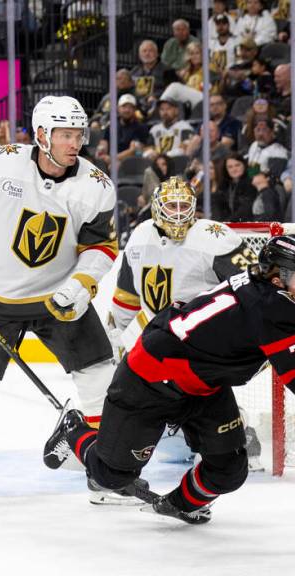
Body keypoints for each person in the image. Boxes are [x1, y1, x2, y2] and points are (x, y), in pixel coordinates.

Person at [44, 234, 295, 524]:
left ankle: (180, 505)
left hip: (201, 384)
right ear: (279, 278)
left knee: (229, 468)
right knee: (112, 475)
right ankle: (74, 430)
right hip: (149, 381)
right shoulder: (270, 310)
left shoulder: (267, 290)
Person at [0, 96, 117, 438]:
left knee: (100, 374)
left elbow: (101, 246)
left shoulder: (96, 187)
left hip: (58, 297)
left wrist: (81, 284)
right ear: (42, 134)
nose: (75, 143)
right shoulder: (1, 163)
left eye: (79, 134)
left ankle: (105, 466)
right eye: (65, 135)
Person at [105, 177, 263, 485]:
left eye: (184, 206)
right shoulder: (139, 236)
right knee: (158, 406)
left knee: (201, 389)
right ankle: (182, 436)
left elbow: (254, 285)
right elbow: (127, 295)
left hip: (203, 336)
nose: (178, 214)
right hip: (158, 336)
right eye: (172, 206)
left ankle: (236, 431)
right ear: (157, 208)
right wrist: (119, 335)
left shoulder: (213, 236)